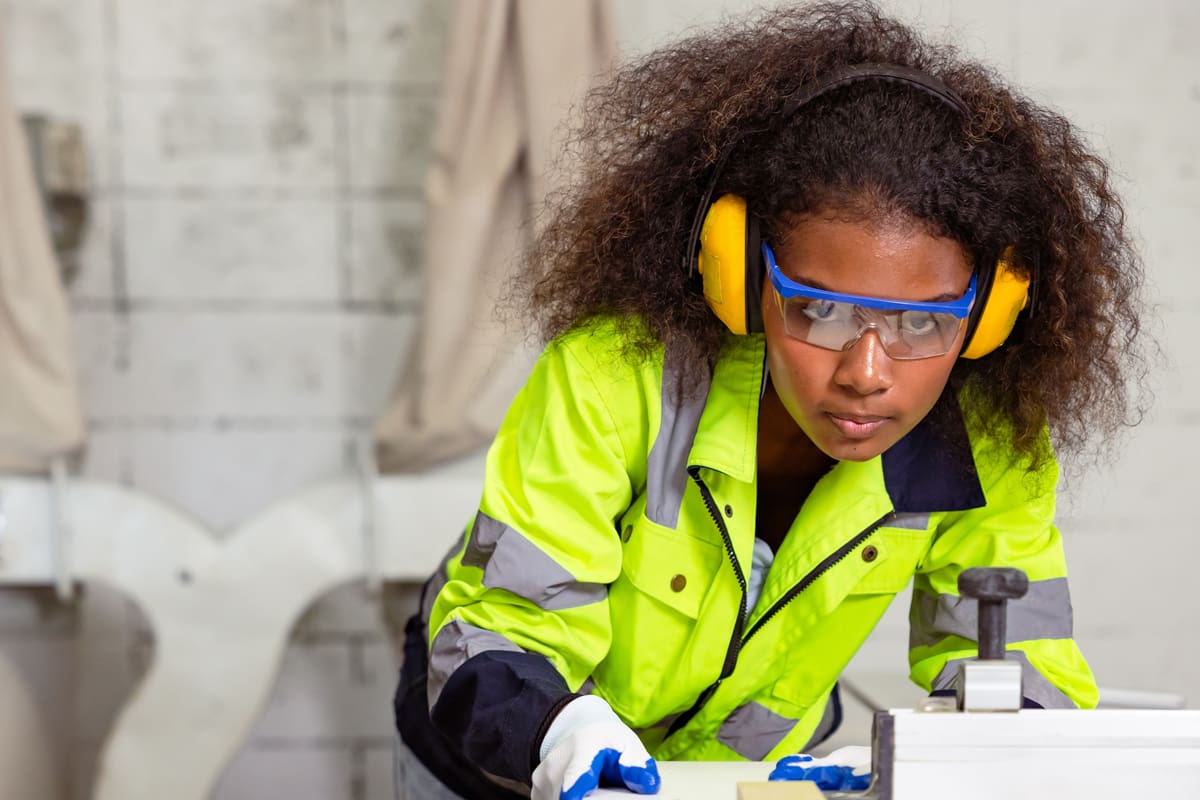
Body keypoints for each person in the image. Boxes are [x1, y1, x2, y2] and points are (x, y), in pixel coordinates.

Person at [392, 2, 1152, 798]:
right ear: (740, 276)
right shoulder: (612, 380)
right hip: (497, 762)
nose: (866, 371)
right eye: (820, 309)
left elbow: (1020, 664)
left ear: (993, 313)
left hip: (740, 774)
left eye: (925, 322)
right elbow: (500, 631)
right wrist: (558, 733)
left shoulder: (988, 446)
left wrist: (969, 753)